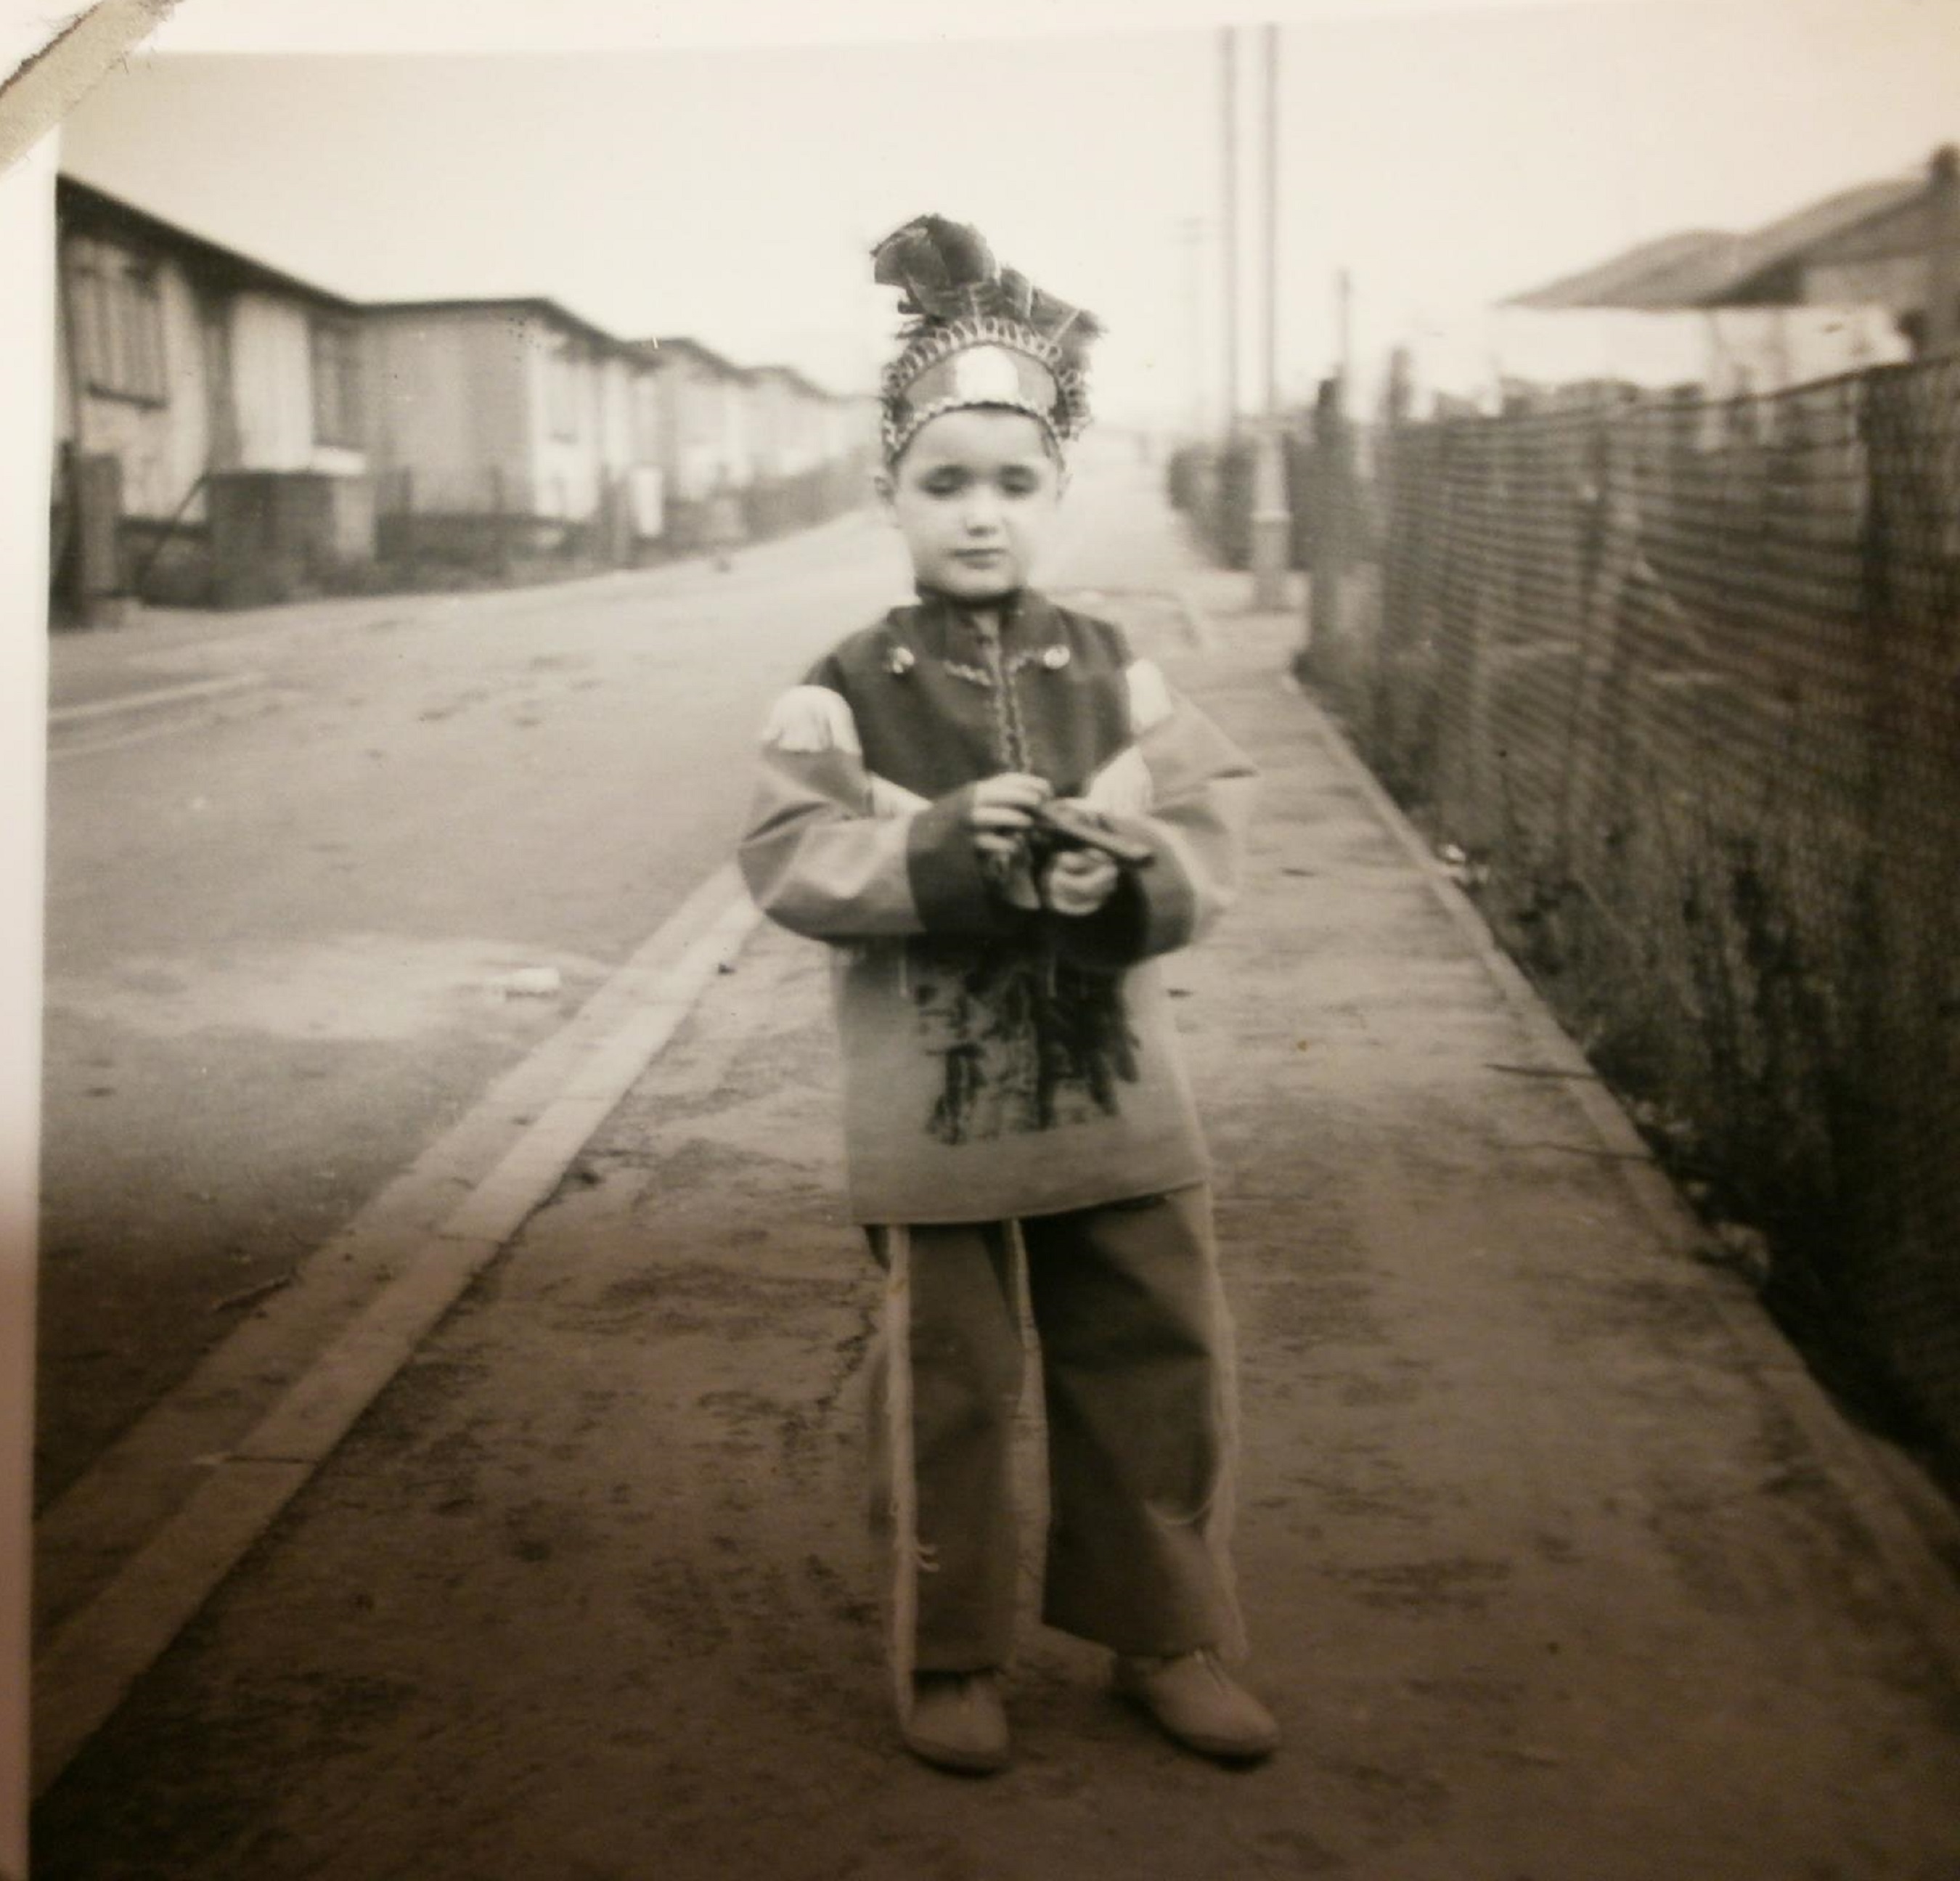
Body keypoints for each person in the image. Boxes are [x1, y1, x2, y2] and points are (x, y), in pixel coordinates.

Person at [737, 214, 1275, 1776]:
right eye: (944, 483)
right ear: (887, 494)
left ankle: (1164, 1636)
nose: (981, 518)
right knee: (949, 1387)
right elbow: (788, 855)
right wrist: (945, 861)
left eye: (1014, 485)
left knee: (1159, 1363)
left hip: (1121, 1096)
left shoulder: (1128, 669)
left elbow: (1212, 823)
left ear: (1059, 496)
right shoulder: (840, 686)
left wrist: (1140, 872)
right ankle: (950, 1652)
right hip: (935, 1110)